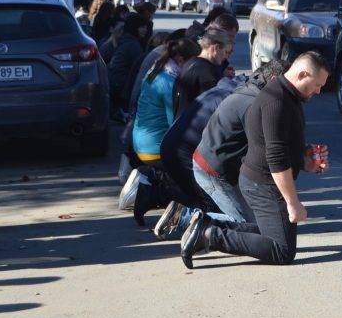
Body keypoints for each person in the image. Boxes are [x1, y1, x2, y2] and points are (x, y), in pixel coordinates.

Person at [180, 52, 330, 268]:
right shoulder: (275, 102)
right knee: (282, 250)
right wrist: (293, 203)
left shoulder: (289, 97)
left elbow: (282, 146)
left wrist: (308, 161)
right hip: (263, 183)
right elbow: (276, 157)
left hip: (261, 180)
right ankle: (210, 235)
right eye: (317, 84)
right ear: (302, 74)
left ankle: (207, 225)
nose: (319, 91)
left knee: (269, 233)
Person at [151, 61, 291, 241]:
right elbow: (261, 151)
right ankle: (185, 217)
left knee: (249, 220)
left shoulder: (242, 88)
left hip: (200, 157)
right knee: (247, 225)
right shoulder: (255, 103)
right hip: (209, 167)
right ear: (273, 80)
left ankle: (177, 208)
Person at [132, 38, 199, 166]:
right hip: (154, 149)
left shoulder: (157, 70)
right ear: (180, 60)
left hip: (139, 143)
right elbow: (175, 124)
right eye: (192, 63)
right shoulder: (170, 83)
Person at [173, 28, 233, 116]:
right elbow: (213, 110)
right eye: (225, 51)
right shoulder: (207, 73)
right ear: (215, 48)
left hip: (180, 124)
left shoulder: (190, 63)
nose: (226, 56)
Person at [108, 14, 150, 116]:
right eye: (142, 27)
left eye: (146, 27)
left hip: (114, 83)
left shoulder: (127, 40)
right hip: (122, 86)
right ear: (134, 27)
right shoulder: (133, 45)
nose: (145, 30)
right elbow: (141, 69)